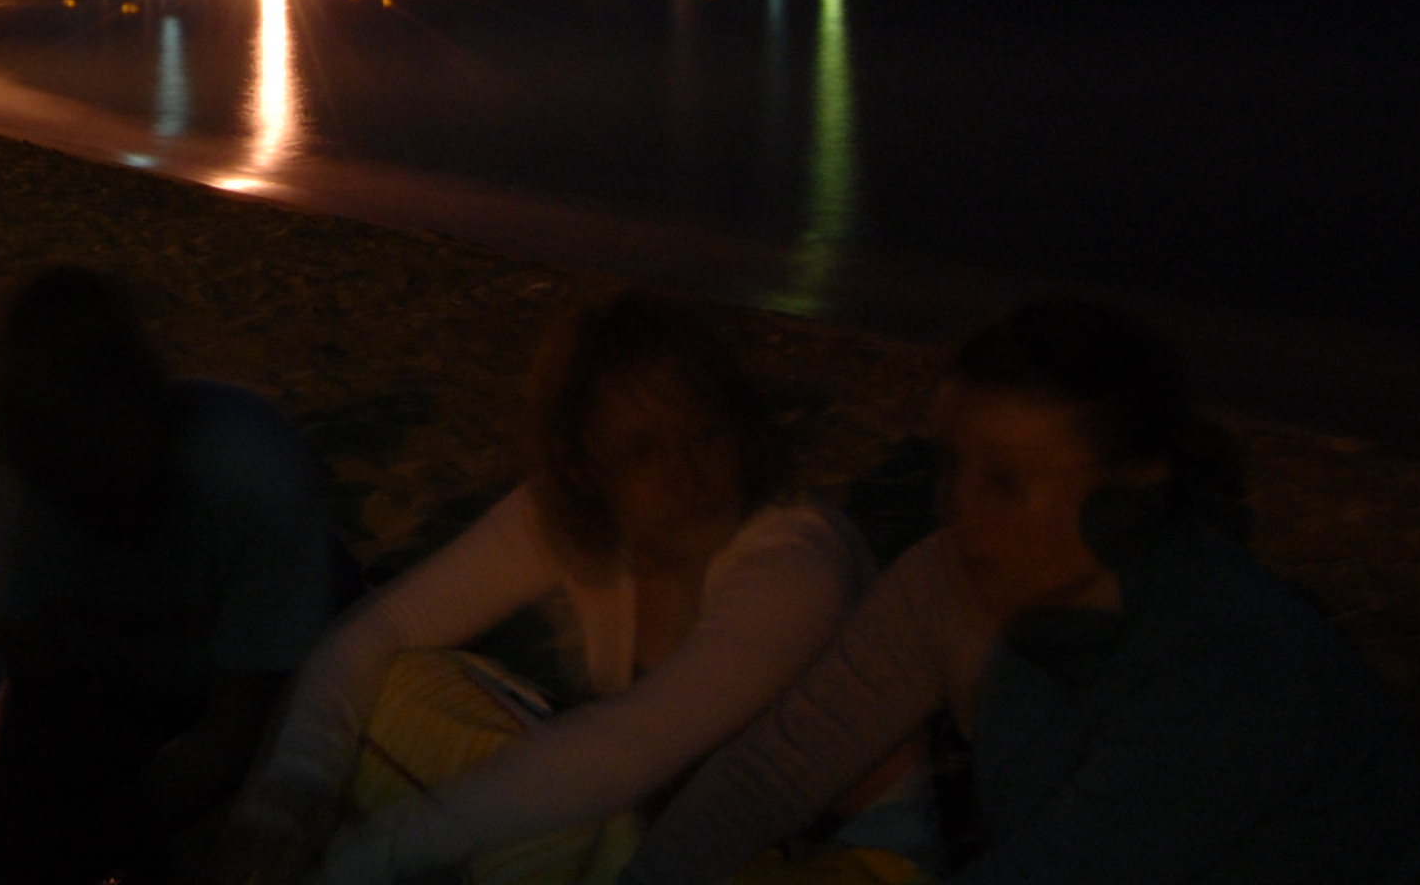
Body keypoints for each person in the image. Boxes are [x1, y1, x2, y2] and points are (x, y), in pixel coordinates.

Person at [622, 298, 1420, 885]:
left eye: (1007, 483)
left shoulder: (1228, 674)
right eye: (954, 466)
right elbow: (778, 768)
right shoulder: (955, 578)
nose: (960, 509)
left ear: (1132, 490)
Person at [222, 289, 930, 885]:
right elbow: (384, 627)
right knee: (403, 685)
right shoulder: (577, 517)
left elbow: (629, 746)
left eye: (707, 434)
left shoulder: (798, 564)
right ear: (587, 466)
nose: (687, 474)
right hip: (642, 816)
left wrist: (357, 863)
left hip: (826, 854)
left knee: (566, 808)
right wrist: (293, 787)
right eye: (643, 450)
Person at [0, 264, 342, 883]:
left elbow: (239, 722)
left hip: (245, 692)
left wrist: (108, 837)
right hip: (113, 688)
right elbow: (35, 677)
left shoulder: (258, 474)